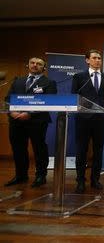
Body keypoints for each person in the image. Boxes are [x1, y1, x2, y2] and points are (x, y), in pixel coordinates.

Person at [5, 57, 57, 188]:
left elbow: (49, 102)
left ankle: (41, 176)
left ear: (44, 68)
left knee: (39, 149)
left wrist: (29, 114)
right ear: (27, 65)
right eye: (32, 63)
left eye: (39, 64)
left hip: (37, 121)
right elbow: (7, 99)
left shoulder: (49, 82)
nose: (35, 65)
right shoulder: (18, 81)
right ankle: (21, 175)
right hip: (16, 121)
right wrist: (12, 113)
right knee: (18, 149)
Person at [71, 50, 104, 193]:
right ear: (87, 60)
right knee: (81, 150)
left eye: (99, 58)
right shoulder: (79, 77)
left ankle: (95, 179)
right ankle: (80, 180)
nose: (97, 60)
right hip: (83, 119)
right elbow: (74, 96)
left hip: (100, 119)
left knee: (98, 150)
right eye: (94, 58)